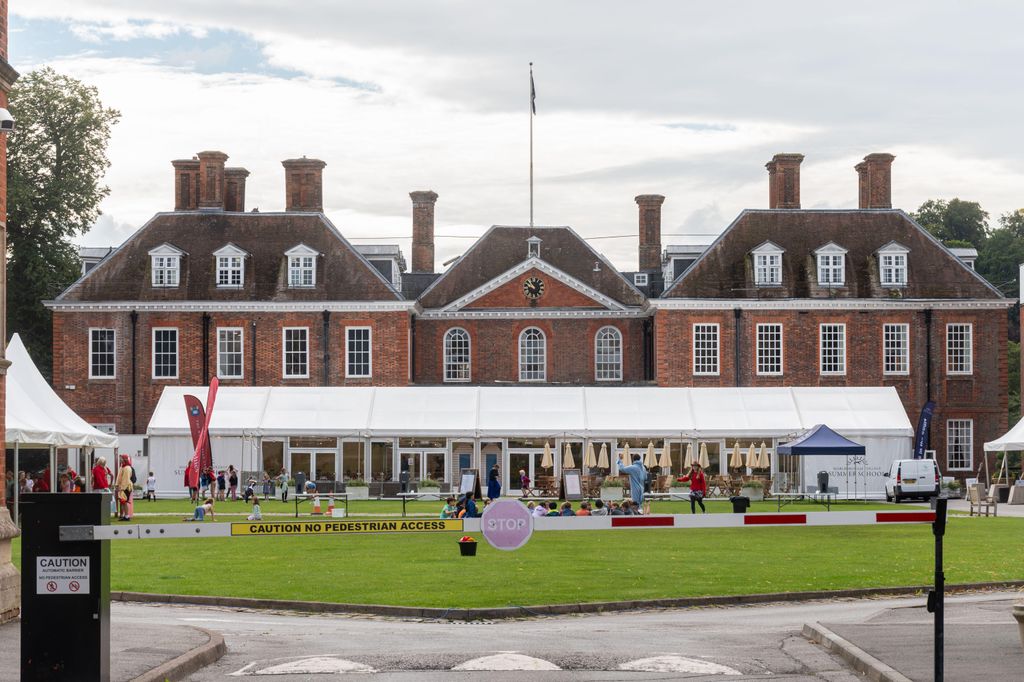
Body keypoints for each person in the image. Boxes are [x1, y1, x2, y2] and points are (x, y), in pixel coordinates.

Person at [115, 454, 135, 521]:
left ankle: (127, 516)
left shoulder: (127, 468)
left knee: (124, 501)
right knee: (123, 502)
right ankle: (125, 515)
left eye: (121, 458)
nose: (120, 459)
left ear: (124, 459)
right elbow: (119, 477)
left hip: (126, 487)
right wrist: (117, 485)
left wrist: (122, 488)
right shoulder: (122, 467)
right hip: (122, 487)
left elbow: (125, 479)